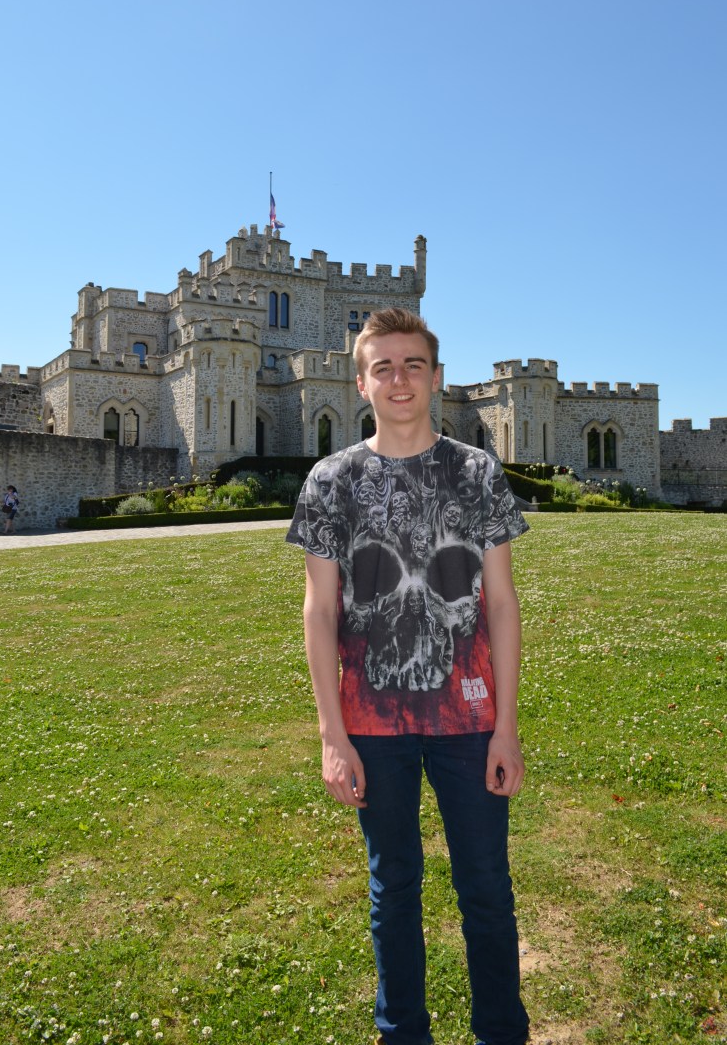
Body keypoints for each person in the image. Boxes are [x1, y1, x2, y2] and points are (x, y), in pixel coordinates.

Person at [287, 308, 530, 1045]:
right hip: (373, 724)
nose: (398, 379)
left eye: (412, 365)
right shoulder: (331, 480)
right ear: (359, 382)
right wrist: (332, 736)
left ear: (434, 377)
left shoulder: (476, 471)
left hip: (470, 719)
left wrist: (507, 729)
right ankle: (403, 1034)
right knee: (392, 890)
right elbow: (320, 612)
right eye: (382, 367)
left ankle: (501, 1033)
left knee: (484, 889)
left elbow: (501, 604)